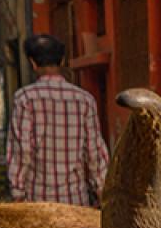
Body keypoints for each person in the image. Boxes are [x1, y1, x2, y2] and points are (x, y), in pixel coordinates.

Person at [7, 33, 109, 205]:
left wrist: (17, 193)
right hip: (76, 203)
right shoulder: (85, 100)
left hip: (37, 204)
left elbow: (21, 151)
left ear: (32, 63)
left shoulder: (25, 99)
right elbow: (94, 153)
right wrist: (101, 191)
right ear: (62, 61)